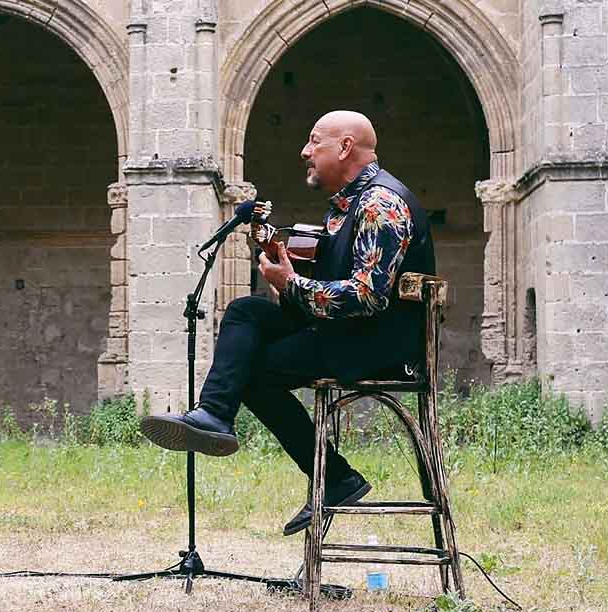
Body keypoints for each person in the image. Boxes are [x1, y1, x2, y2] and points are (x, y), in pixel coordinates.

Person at [140, 110, 436, 536]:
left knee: (255, 374)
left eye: (314, 141)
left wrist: (293, 283)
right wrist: (287, 277)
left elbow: (368, 297)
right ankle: (213, 415)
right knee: (245, 312)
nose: (305, 152)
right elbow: (334, 290)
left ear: (345, 147)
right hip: (348, 332)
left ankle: (335, 478)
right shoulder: (347, 206)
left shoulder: (379, 205)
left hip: (379, 346)